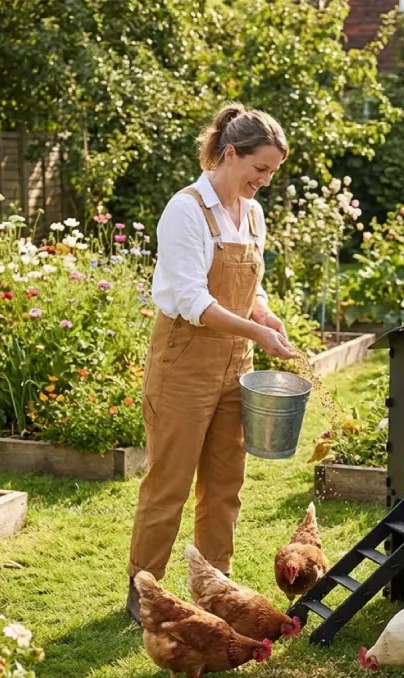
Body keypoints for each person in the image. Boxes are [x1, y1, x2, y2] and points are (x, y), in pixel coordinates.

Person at [127, 103, 294, 622]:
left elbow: (252, 288)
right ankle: (144, 593)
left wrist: (265, 315)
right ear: (228, 154)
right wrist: (256, 330)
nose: (264, 181)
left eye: (272, 172)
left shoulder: (253, 213)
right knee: (169, 483)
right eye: (259, 169)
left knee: (225, 485)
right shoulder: (186, 209)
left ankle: (215, 589)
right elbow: (192, 301)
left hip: (234, 365)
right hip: (183, 362)